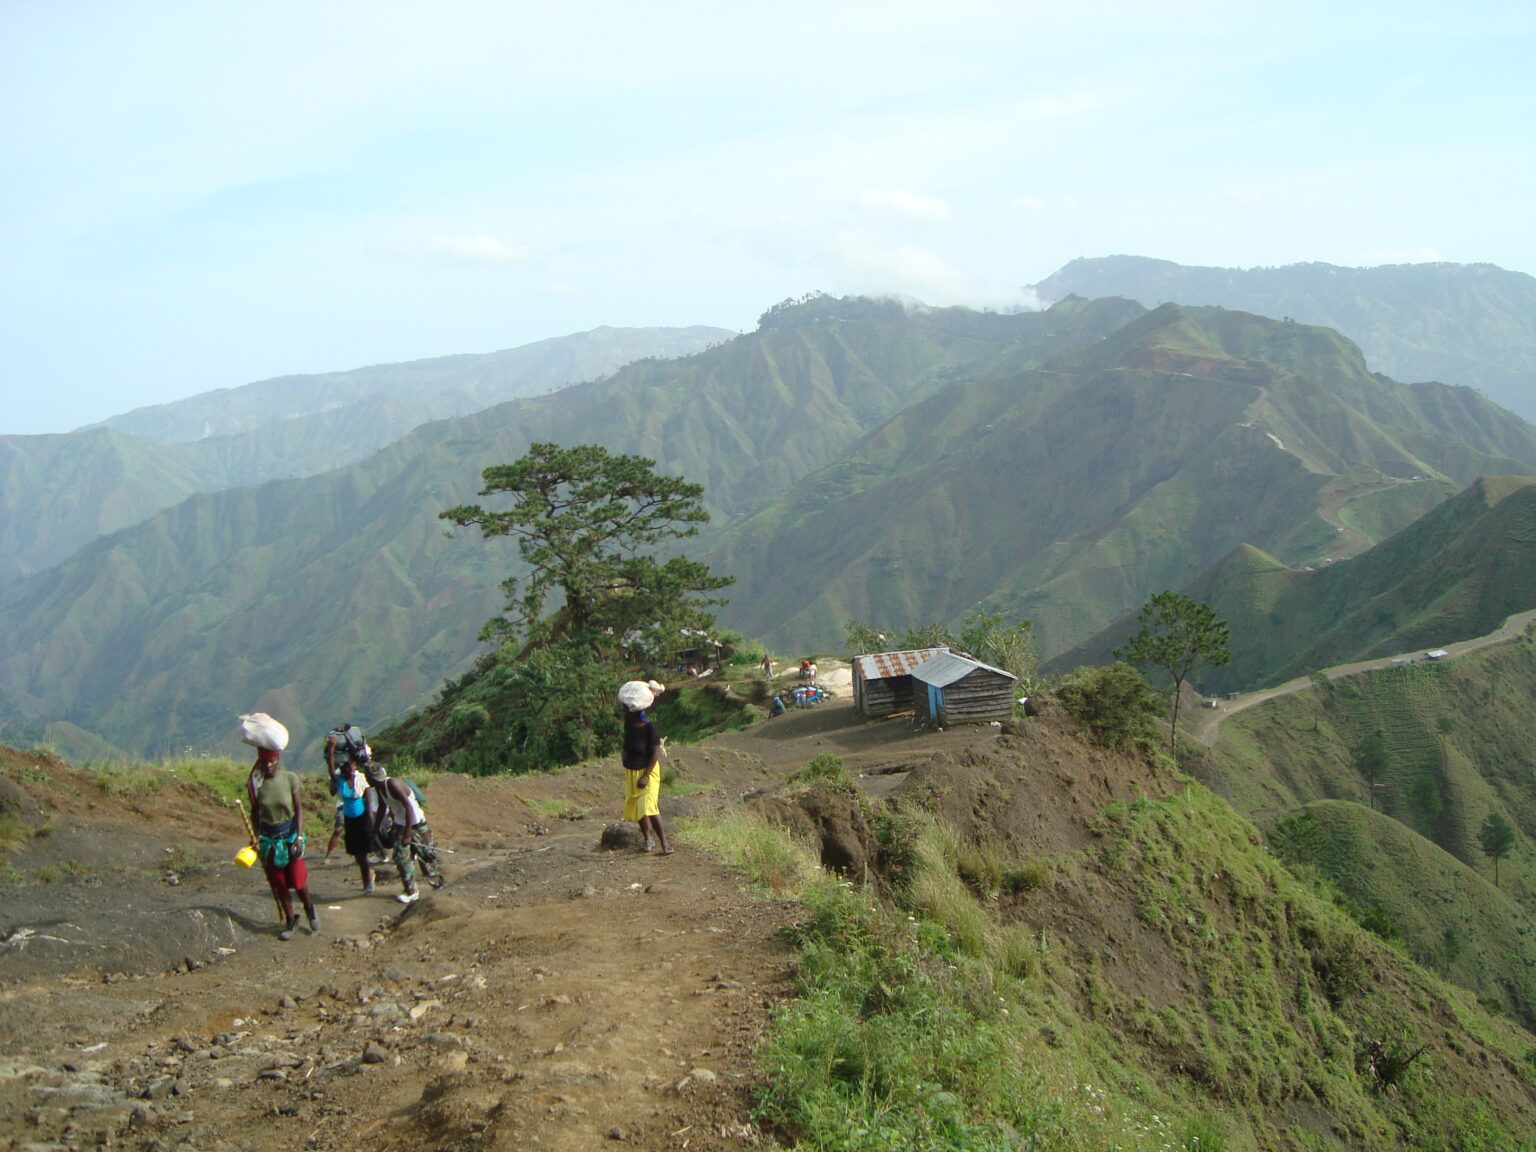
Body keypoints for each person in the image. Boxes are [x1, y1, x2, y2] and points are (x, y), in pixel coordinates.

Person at [249, 747, 319, 939]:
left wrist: (298, 836)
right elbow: (254, 812)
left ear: (277, 761)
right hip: (270, 839)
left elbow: (298, 808)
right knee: (279, 882)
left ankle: (310, 909)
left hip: (289, 835)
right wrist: (256, 836)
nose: (269, 766)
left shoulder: (289, 778)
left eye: (271, 762)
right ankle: (290, 920)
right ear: (260, 764)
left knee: (297, 879)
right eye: (264, 763)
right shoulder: (256, 784)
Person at [366, 761, 443, 904]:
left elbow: (409, 807)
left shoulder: (393, 784)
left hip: (417, 824)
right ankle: (411, 890)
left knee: (426, 856)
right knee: (401, 859)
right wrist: (375, 829)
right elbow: (383, 807)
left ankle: (437, 883)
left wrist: (407, 834)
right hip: (401, 824)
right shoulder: (379, 787)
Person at [325, 731, 376, 894]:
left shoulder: (360, 779)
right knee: (357, 855)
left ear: (354, 765)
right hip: (349, 820)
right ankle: (366, 882)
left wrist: (370, 821)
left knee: (363, 854)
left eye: (351, 765)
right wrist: (331, 748)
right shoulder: (340, 781)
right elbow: (331, 768)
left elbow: (368, 801)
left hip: (361, 819)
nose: (349, 768)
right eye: (346, 766)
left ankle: (369, 883)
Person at [621, 704, 672, 854]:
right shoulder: (629, 726)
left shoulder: (650, 728)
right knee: (639, 806)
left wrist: (645, 776)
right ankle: (647, 839)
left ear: (634, 713)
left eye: (626, 712)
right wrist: (624, 757)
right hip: (632, 771)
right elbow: (626, 745)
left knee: (650, 806)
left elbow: (655, 754)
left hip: (648, 772)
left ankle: (664, 843)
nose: (624, 714)